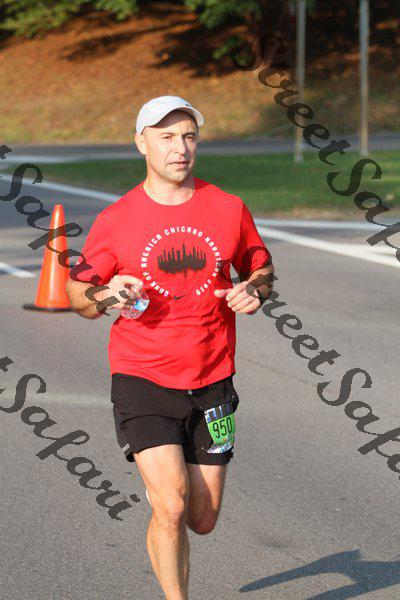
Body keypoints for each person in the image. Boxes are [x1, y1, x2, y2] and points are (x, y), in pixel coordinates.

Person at [66, 95, 274, 600]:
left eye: (188, 136)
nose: (180, 148)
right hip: (142, 376)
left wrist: (255, 289)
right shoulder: (117, 218)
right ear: (141, 144)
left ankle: (166, 491)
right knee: (173, 506)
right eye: (166, 137)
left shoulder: (228, 208)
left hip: (213, 377)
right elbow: (77, 294)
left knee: (202, 518)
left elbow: (260, 266)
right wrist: (105, 294)